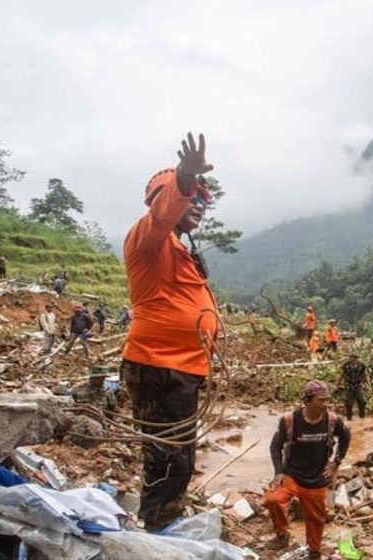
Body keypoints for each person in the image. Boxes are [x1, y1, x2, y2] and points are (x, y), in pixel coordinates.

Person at [120, 133, 220, 530]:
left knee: (178, 456)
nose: (198, 206)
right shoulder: (147, 239)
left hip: (182, 369)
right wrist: (184, 177)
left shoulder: (180, 250)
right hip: (159, 365)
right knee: (168, 459)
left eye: (201, 201)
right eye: (190, 198)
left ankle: (164, 519)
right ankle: (159, 529)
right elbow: (163, 214)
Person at [263, 380, 350, 559]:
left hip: (318, 477)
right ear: (307, 401)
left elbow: (346, 436)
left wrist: (336, 463)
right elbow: (275, 446)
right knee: (273, 499)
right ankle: (282, 535)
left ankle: (314, 550)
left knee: (316, 518)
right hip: (292, 475)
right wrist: (278, 471)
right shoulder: (290, 420)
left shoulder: (333, 420)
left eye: (327, 399)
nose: (326, 404)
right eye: (321, 400)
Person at [339, 354, 371, 420]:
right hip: (348, 385)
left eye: (354, 357)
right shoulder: (346, 365)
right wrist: (337, 383)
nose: (353, 359)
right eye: (351, 357)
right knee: (348, 403)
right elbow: (342, 374)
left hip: (358, 385)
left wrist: (368, 384)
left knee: (362, 401)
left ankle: (362, 416)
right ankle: (349, 418)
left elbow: (365, 374)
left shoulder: (361, 365)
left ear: (357, 358)